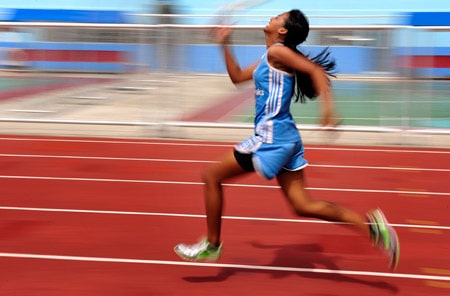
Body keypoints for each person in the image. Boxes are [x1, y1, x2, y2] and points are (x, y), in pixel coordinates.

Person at [174, 9, 399, 271]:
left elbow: (314, 70)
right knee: (303, 205)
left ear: (282, 31)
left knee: (211, 176)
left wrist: (329, 110)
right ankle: (372, 228)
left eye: (277, 17)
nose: (271, 17)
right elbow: (237, 77)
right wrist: (224, 42)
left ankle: (212, 244)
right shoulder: (269, 57)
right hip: (286, 137)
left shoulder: (276, 52)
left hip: (271, 138)